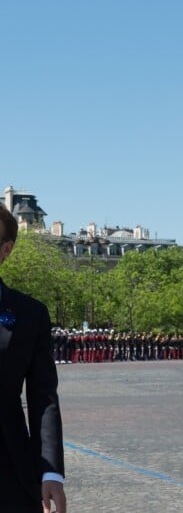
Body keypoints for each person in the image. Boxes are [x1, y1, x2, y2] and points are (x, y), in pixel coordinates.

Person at [0, 204, 66, 513]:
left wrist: (50, 470)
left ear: (6, 249)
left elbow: (43, 398)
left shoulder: (30, 314)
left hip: (9, 471)